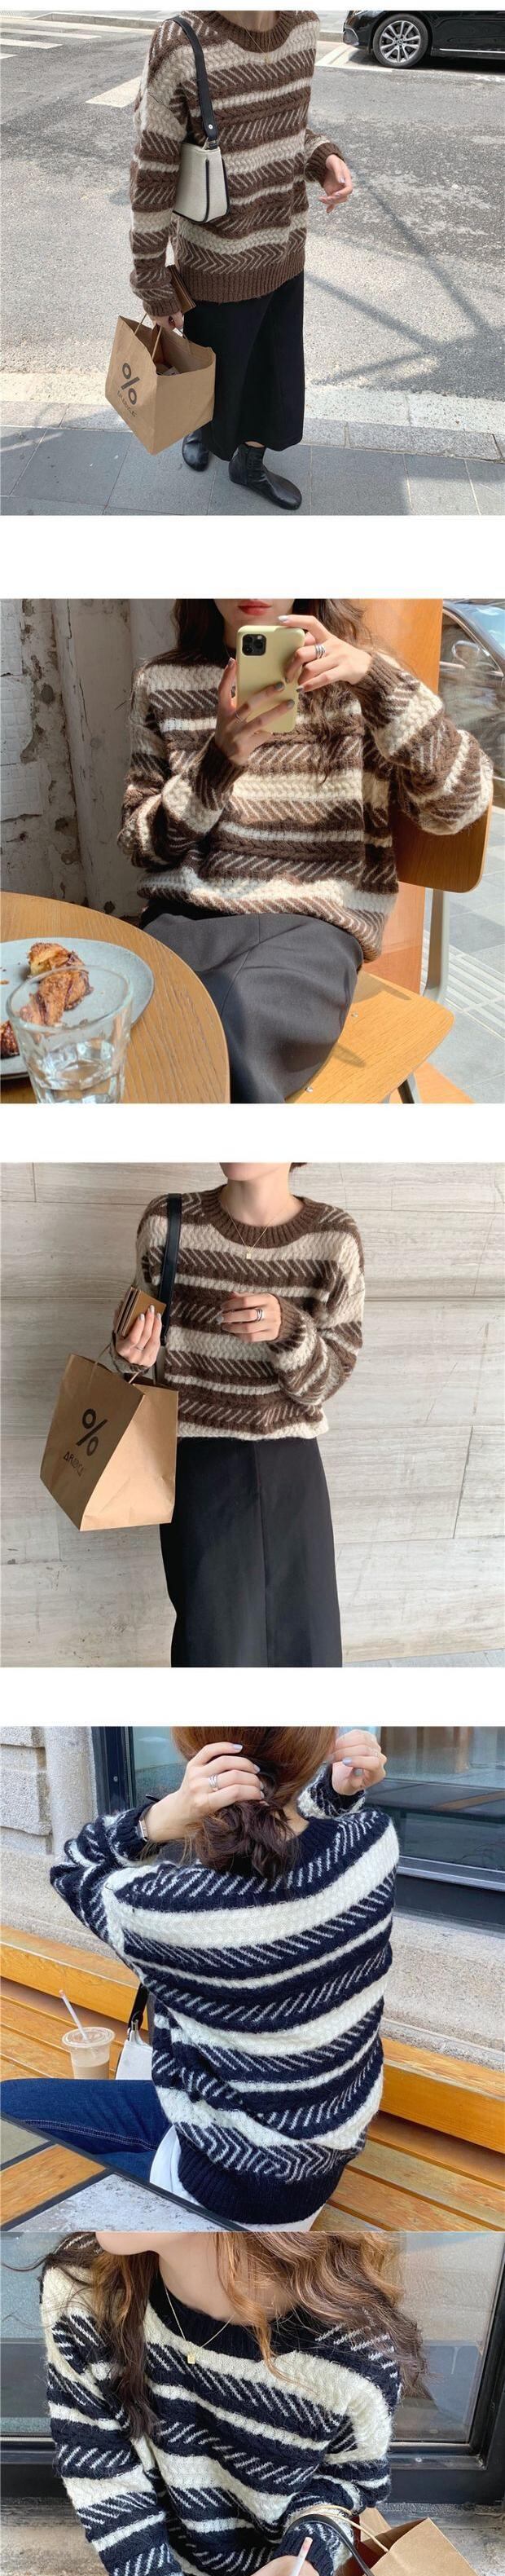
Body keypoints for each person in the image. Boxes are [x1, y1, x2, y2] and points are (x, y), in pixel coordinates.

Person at [2, 1728, 397, 2226]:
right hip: (302, 2153)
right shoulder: (374, 1842)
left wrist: (158, 1819)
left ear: (196, 1756)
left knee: (28, 2172)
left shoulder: (174, 1911)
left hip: (226, 2186)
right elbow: (302, 1857)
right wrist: (335, 1795)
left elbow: (73, 1867)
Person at [41, 2222, 421, 2576]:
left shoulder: (353, 2352)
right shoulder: (85, 2292)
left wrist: (305, 2558)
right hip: (148, 2572)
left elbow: (347, 2480)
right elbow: (106, 2485)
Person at [119, 597, 494, 1101]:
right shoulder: (161, 682)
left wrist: (378, 683)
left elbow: (459, 804)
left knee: (226, 1036)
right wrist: (219, 761)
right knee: (123, 1035)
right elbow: (141, 845)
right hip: (183, 918)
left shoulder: (363, 679)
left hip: (311, 926)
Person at [112, 1161, 364, 1667]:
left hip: (292, 1468)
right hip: (196, 1466)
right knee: (213, 1643)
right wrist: (131, 1354)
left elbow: (329, 1380)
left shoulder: (334, 1238)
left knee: (306, 1641)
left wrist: (289, 1329)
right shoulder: (168, 1223)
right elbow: (138, 1356)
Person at [130, 11, 353, 512]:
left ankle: (248, 463)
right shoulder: (179, 44)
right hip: (214, 263)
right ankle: (198, 426)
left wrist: (324, 159)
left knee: (273, 373)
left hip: (284, 251)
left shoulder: (303, 28)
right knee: (211, 373)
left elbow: (288, 128)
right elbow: (153, 175)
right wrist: (152, 283)